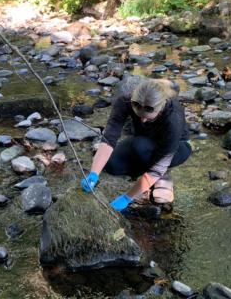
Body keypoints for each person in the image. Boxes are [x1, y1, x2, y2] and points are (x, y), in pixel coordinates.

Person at [81, 77, 191, 213]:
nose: (143, 121)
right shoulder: (125, 101)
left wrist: (127, 198)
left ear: (161, 107)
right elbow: (109, 138)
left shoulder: (173, 116)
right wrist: (93, 173)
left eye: (148, 117)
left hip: (177, 147)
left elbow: (158, 166)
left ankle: (162, 174)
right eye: (139, 116)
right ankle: (146, 175)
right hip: (144, 140)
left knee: (141, 147)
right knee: (111, 166)